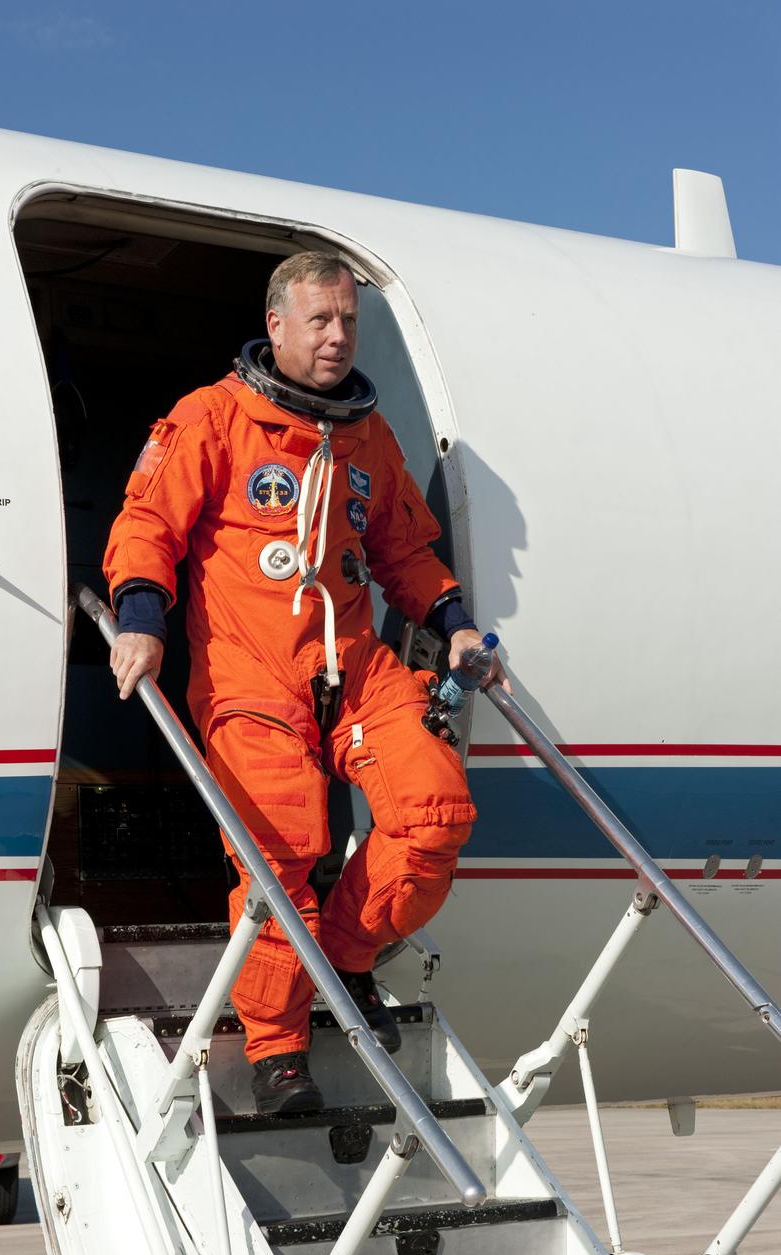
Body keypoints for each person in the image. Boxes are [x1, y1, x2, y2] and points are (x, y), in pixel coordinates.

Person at [103, 252, 510, 1114]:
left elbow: (404, 551)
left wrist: (454, 625)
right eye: (319, 321)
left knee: (433, 811)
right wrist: (140, 620)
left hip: (354, 668)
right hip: (254, 672)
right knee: (277, 852)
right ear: (277, 325)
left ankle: (348, 959)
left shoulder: (367, 439)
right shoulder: (211, 419)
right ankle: (277, 1050)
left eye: (347, 322)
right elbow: (147, 525)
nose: (335, 338)